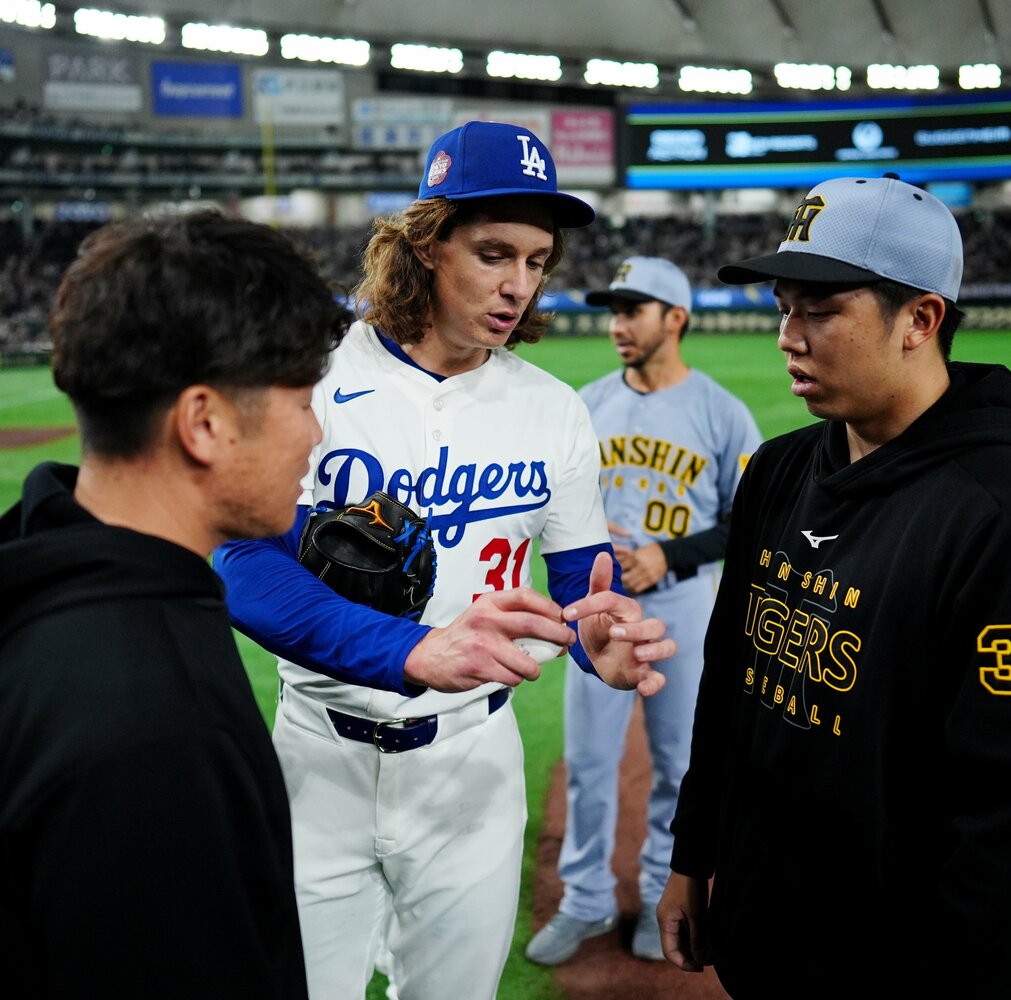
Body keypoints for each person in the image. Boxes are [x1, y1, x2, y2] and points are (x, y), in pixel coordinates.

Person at [216, 120, 677, 1000]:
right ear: (427, 245)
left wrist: (597, 645)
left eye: (538, 261)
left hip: (472, 763)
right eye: (495, 253)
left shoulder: (553, 411)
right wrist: (407, 652)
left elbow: (584, 591)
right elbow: (243, 562)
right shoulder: (308, 375)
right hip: (317, 759)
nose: (519, 286)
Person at [658, 173, 1011, 998]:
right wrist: (693, 857)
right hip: (759, 936)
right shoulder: (783, 469)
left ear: (921, 319)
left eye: (821, 311)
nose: (787, 337)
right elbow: (731, 681)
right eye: (783, 307)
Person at [0, 212, 348, 999]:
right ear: (203, 422)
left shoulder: (64, 581)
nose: (318, 432)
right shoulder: (149, 720)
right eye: (304, 398)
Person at [526, 257, 761, 966]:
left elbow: (747, 524)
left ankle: (663, 886)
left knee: (679, 762)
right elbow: (544, 511)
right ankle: (585, 900)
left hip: (685, 608)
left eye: (634, 310)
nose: (617, 324)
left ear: (676, 319)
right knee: (589, 765)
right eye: (613, 310)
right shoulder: (584, 403)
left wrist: (672, 554)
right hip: (595, 617)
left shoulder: (721, 412)